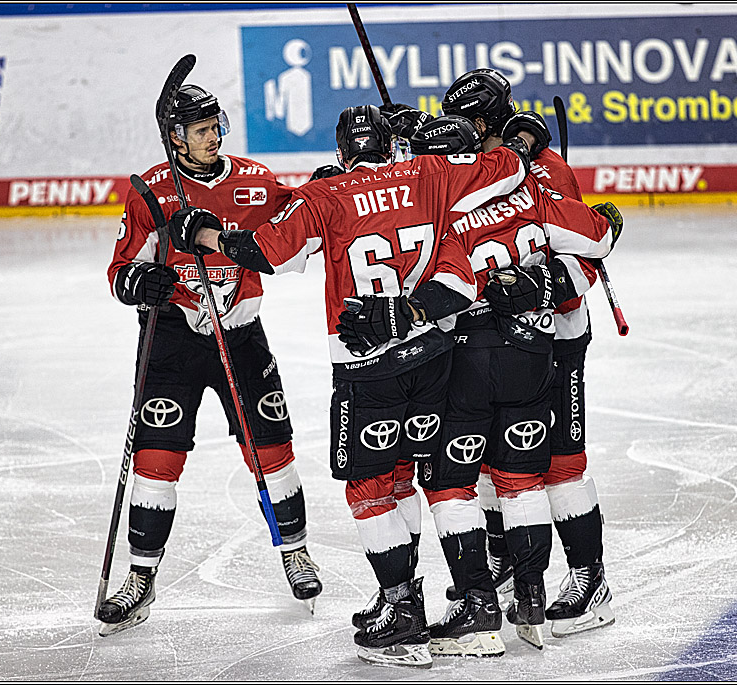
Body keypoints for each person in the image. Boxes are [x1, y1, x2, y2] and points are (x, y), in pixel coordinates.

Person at [171, 104, 544, 667]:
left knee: (370, 490)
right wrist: (500, 137)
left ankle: (402, 612)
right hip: (435, 354)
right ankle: (477, 608)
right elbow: (510, 169)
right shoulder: (430, 173)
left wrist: (202, 233)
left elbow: (263, 252)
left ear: (342, 153)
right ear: (392, 144)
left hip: (366, 369)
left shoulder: (326, 196)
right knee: (444, 484)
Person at [339, 114, 620, 651]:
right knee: (519, 475)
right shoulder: (526, 188)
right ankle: (526, 591)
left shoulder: (440, 209)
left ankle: (489, 601)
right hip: (533, 353)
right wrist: (545, 281)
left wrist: (394, 316)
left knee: (458, 481)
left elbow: (442, 286)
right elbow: (600, 236)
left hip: (491, 356)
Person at [98, 84, 322, 636]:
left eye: (217, 125)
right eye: (201, 130)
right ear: (176, 137)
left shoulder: (254, 179)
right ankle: (141, 579)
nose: (215, 136)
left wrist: (328, 186)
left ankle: (294, 550)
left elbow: (296, 218)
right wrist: (142, 281)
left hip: (241, 336)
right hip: (173, 339)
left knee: (273, 450)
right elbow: (120, 271)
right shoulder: (151, 190)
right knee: (157, 459)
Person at [438, 68, 616, 637]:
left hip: (556, 339)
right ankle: (509, 569)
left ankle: (591, 580)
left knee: (561, 464)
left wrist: (534, 282)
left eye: (464, 122)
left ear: (484, 121)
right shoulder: (469, 172)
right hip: (491, 346)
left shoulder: (543, 169)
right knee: (494, 464)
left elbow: (587, 258)